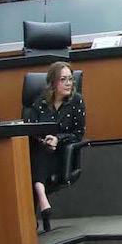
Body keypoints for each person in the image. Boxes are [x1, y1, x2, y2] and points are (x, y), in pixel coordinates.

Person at [25, 62, 85, 233]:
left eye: (70, 79)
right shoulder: (40, 102)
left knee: (37, 160)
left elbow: (78, 133)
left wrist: (57, 139)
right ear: (53, 82)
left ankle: (39, 196)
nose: (68, 83)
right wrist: (44, 140)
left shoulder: (76, 101)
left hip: (62, 155)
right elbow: (29, 129)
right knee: (38, 152)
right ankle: (41, 196)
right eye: (63, 79)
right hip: (40, 151)